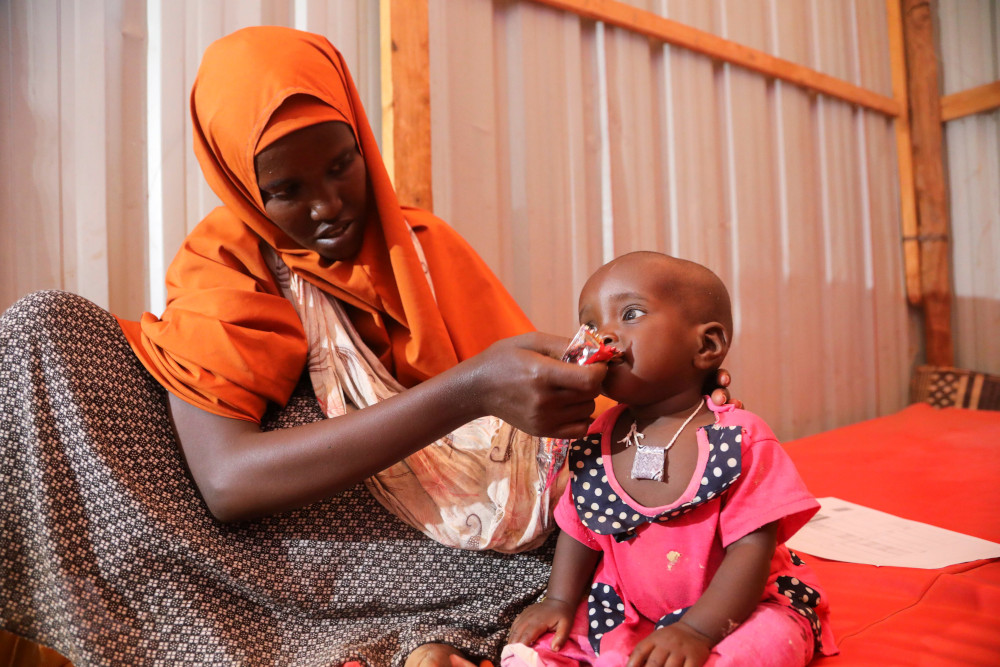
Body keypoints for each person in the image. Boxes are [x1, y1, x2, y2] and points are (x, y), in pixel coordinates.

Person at [0, 27, 734, 667]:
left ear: (361, 138)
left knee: (562, 570)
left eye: (342, 163)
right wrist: (468, 389)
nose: (327, 206)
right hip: (266, 535)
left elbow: (512, 463)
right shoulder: (225, 263)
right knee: (44, 328)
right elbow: (227, 484)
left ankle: (403, 633)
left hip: (414, 542)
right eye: (286, 189)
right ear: (240, 184)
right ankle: (391, 636)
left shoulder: (422, 249)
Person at [502, 252, 837, 666]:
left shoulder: (738, 439)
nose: (603, 337)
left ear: (706, 345)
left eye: (631, 313)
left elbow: (753, 552)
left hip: (735, 609)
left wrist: (697, 631)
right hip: (630, 609)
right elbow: (579, 528)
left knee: (768, 641)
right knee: (550, 641)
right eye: (590, 325)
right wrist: (559, 599)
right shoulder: (595, 438)